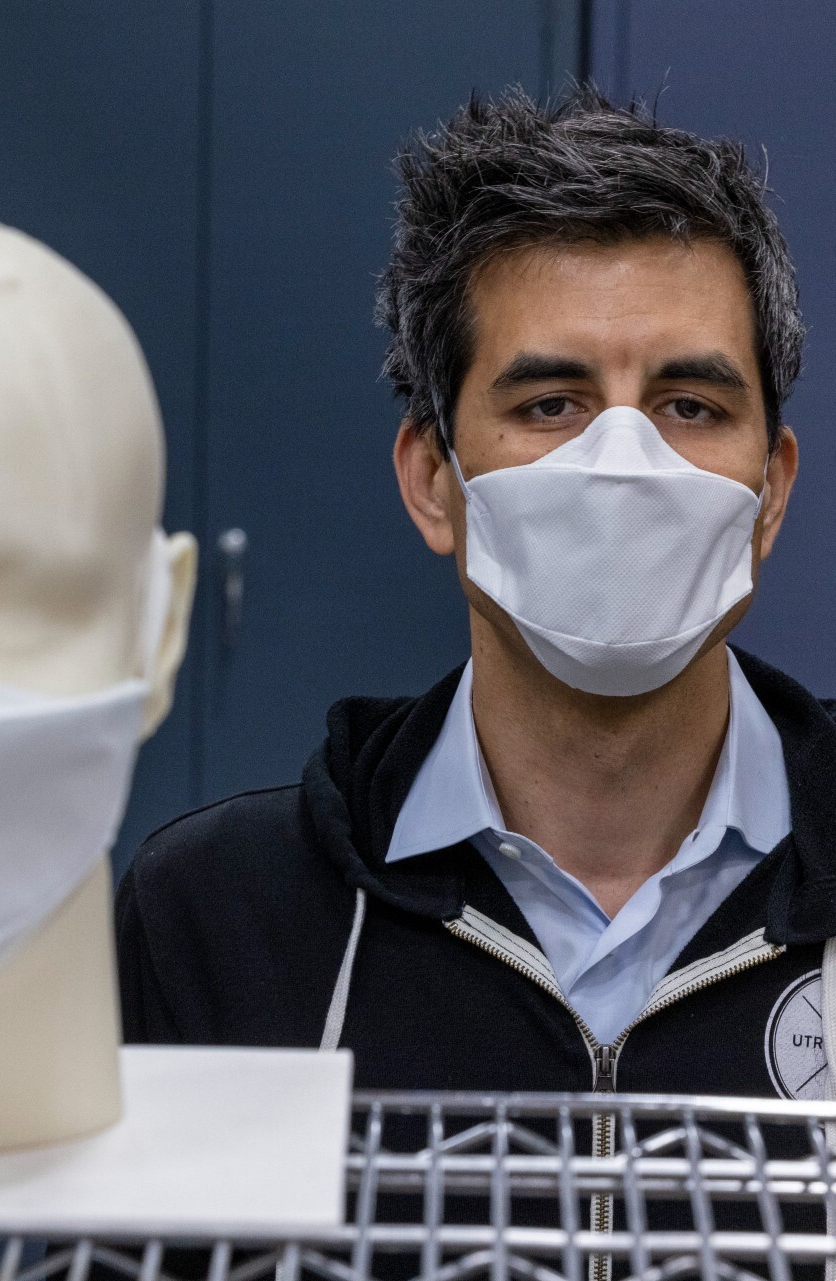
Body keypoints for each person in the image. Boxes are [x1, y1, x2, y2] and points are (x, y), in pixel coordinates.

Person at [117, 85, 835, 1104]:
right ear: (432, 481)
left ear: (771, 490)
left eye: (690, 404)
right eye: (552, 403)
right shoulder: (219, 918)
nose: (622, 463)